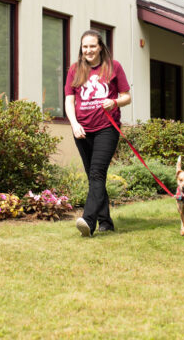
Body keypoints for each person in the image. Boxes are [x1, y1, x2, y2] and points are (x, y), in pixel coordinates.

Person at [64, 30, 131, 237]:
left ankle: (88, 220)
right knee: (94, 177)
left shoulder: (113, 67)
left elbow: (127, 96)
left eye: (92, 46)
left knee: (96, 173)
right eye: (85, 46)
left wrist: (115, 102)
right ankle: (106, 222)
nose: (89, 50)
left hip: (106, 128)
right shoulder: (75, 69)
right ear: (81, 48)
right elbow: (69, 100)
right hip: (82, 130)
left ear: (100, 47)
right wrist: (74, 123)